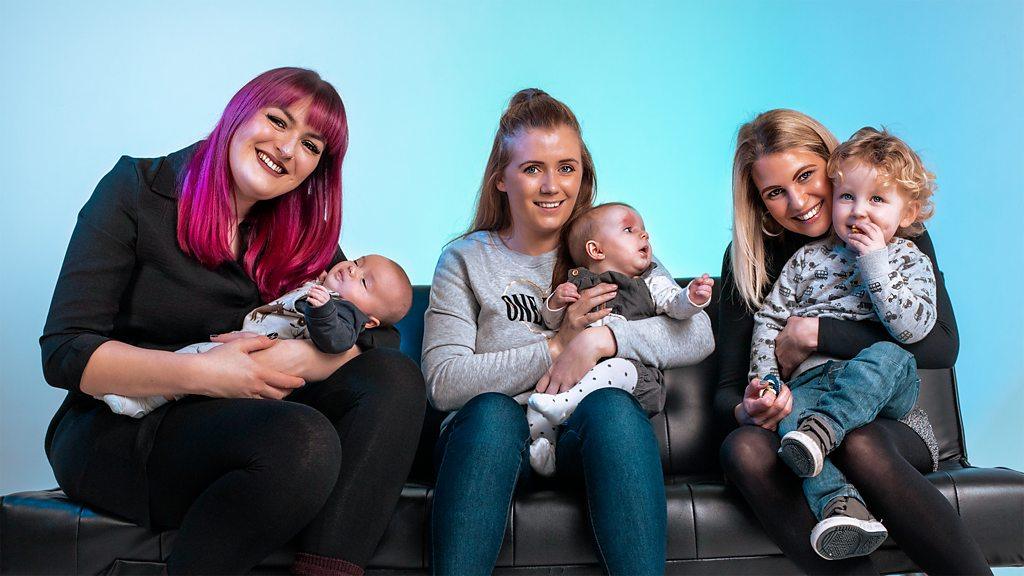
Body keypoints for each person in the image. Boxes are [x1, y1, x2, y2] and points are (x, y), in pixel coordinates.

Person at [40, 67, 425, 576]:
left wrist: (304, 356)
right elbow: (65, 352)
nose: (287, 149)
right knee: (302, 441)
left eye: (311, 145)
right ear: (239, 112)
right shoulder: (136, 190)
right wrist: (206, 374)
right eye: (278, 121)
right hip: (127, 428)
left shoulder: (304, 232)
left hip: (247, 421)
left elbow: (380, 333)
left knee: (395, 379)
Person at [421, 88, 714, 575]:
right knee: (493, 413)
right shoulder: (465, 260)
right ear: (501, 179)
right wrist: (556, 346)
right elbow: (443, 382)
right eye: (533, 168)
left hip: (580, 439)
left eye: (567, 167)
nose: (552, 185)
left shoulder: (606, 245)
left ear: (584, 174)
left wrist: (602, 340)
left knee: (614, 408)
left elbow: (698, 334)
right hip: (490, 443)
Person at [715, 109, 990, 574]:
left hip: (888, 418)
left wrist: (815, 333)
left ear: (834, 165)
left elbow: (940, 346)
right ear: (760, 203)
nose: (799, 202)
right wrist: (752, 404)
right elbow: (726, 390)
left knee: (858, 441)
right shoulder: (753, 258)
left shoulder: (891, 228)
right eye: (775, 192)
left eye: (806, 177)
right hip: (801, 413)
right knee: (741, 448)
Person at [750, 127, 941, 560]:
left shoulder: (908, 257)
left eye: (878, 200)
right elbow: (770, 320)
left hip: (883, 388)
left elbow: (913, 332)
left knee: (889, 354)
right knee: (791, 420)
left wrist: (874, 261)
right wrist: (765, 381)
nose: (860, 212)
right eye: (848, 197)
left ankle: (823, 431)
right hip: (812, 383)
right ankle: (842, 506)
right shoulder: (806, 259)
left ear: (907, 213)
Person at [526, 202, 714, 475]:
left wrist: (692, 297)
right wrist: (555, 302)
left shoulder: (649, 281)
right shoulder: (578, 284)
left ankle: (565, 406)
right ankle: (547, 447)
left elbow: (675, 305)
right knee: (538, 401)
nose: (644, 235)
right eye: (630, 230)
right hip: (576, 376)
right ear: (596, 250)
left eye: (644, 230)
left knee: (618, 368)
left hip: (633, 377)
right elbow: (552, 322)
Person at [100, 254, 413, 418]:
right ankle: (138, 387)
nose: (352, 271)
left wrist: (322, 312)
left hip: (258, 362)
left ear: (369, 322)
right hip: (245, 342)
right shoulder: (330, 282)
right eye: (358, 262)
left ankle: (140, 400)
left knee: (192, 365)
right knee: (191, 360)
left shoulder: (344, 313)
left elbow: (338, 340)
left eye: (364, 283)